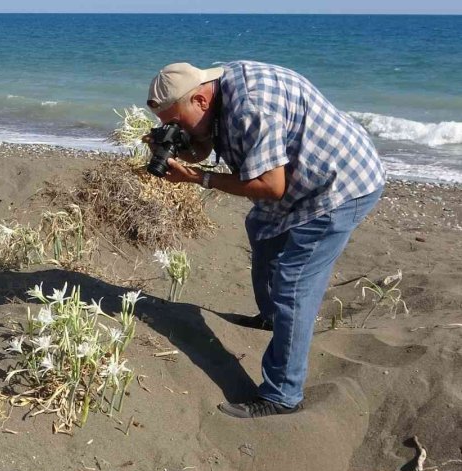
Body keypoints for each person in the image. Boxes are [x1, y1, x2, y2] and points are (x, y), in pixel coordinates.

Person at [146, 61, 385, 418]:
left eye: (175, 123)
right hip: (300, 178)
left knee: (294, 282)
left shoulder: (251, 107)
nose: (173, 128)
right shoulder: (216, 96)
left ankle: (283, 394)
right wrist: (177, 146)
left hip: (338, 186)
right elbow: (210, 143)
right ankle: (272, 319)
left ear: (199, 100)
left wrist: (198, 179)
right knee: (261, 229)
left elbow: (271, 188)